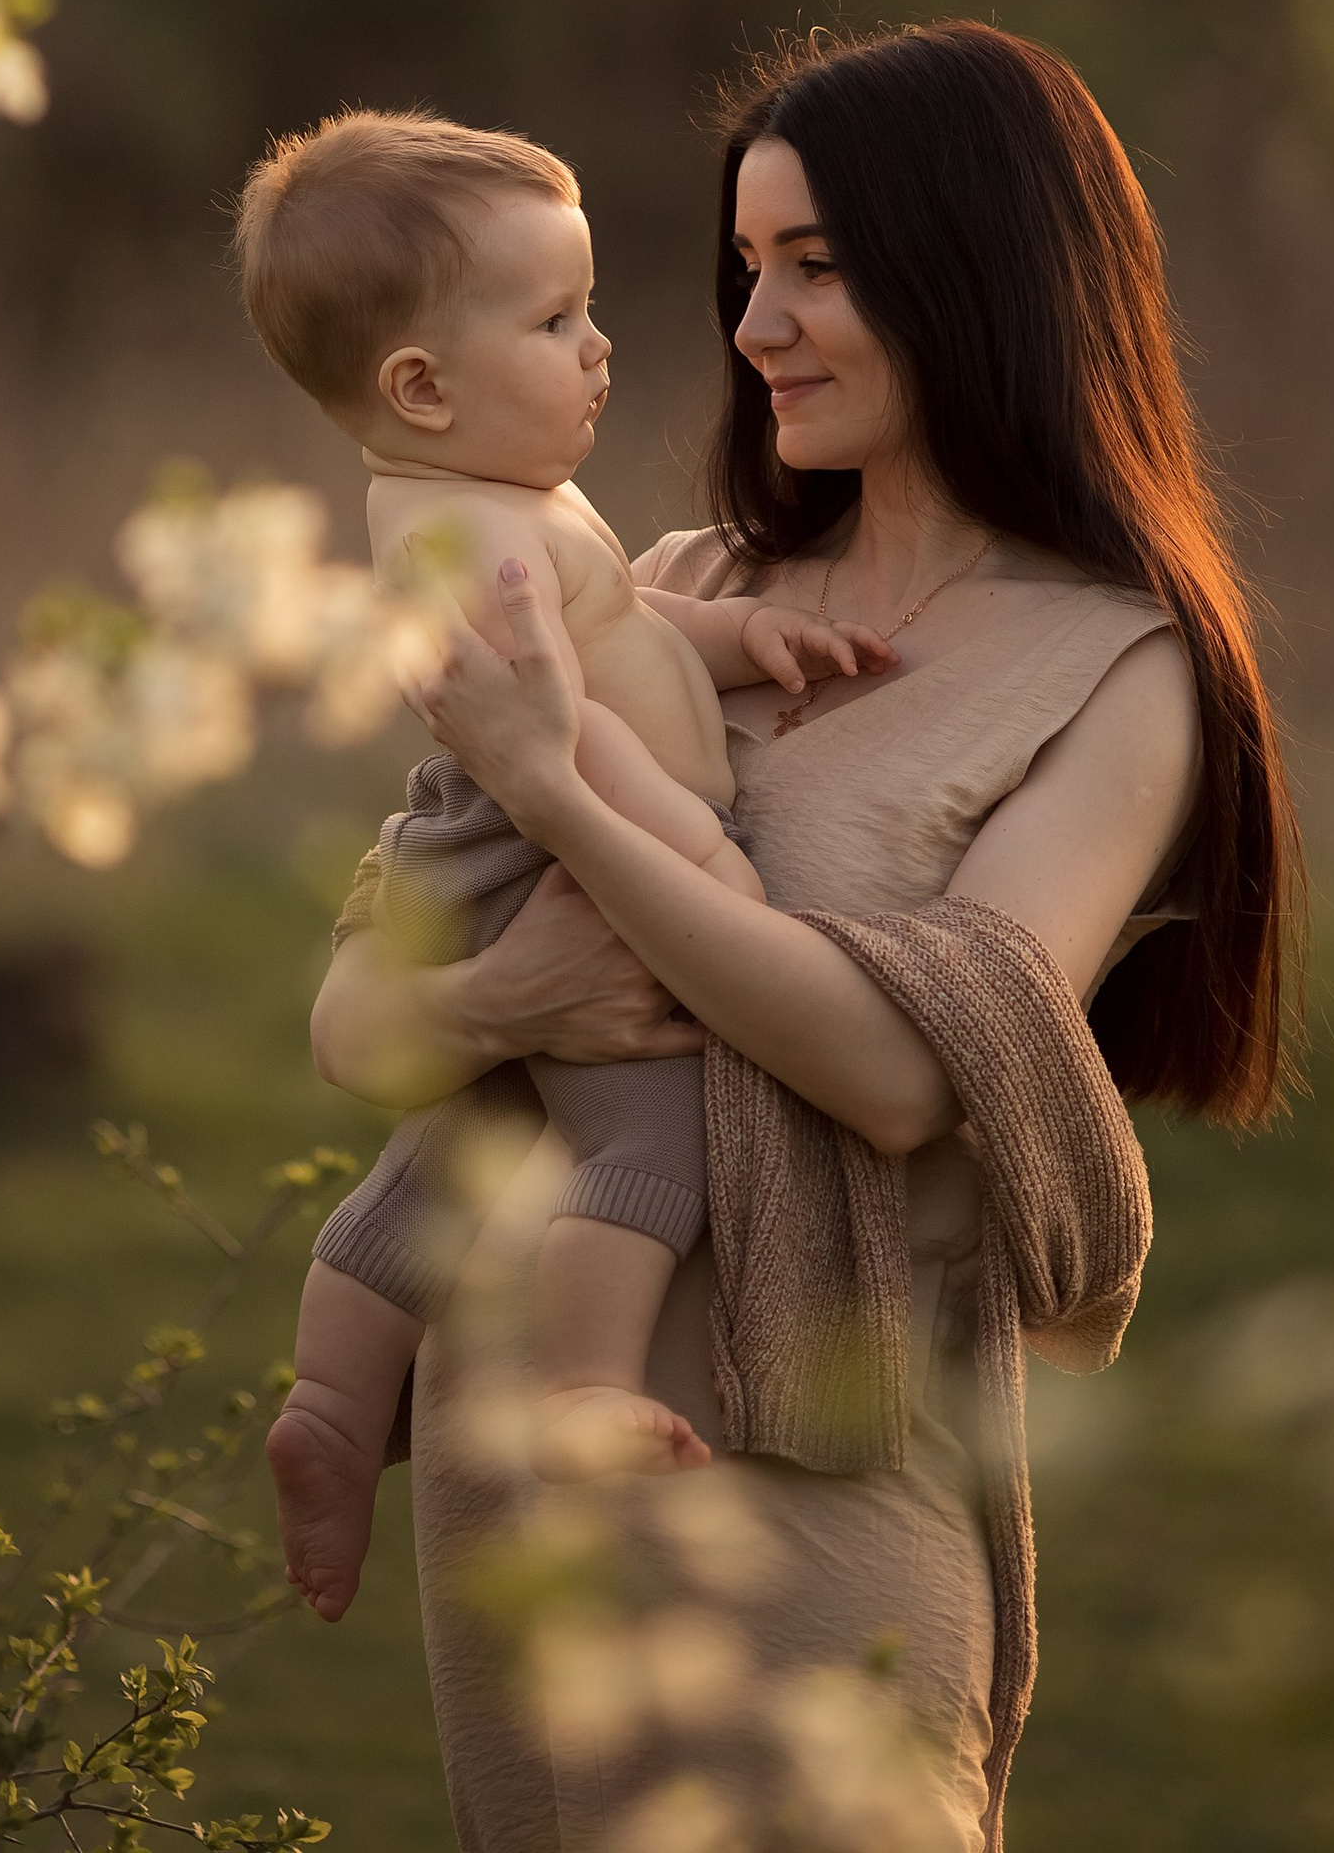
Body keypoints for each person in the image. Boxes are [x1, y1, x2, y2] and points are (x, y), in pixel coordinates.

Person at [306, 23, 1303, 1853]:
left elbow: (914, 1069)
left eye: (821, 270)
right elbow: (362, 1010)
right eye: (747, 268)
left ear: (982, 276)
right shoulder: (668, 592)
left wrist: (569, 805)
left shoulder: (1116, 669)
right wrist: (497, 991)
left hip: (800, 1487)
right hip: (517, 1460)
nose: (755, 324)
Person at [234, 112, 894, 1620]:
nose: (602, 349)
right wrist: (697, 859)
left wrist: (743, 635)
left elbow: (627, 637)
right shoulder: (478, 547)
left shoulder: (485, 499)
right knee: (651, 1137)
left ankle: (332, 1410)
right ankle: (589, 1380)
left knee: (446, 1156)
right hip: (533, 852)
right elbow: (563, 737)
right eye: (554, 320)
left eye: (588, 309)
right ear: (421, 384)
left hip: (473, 856)